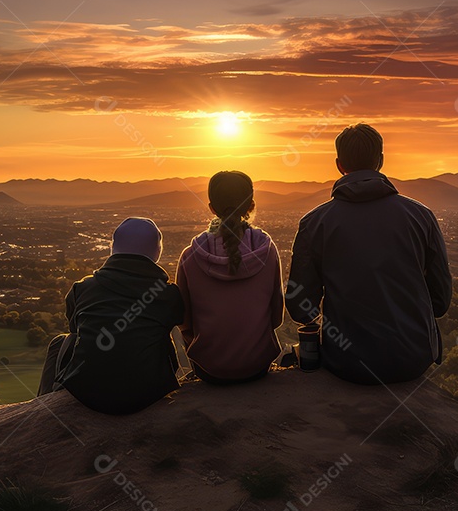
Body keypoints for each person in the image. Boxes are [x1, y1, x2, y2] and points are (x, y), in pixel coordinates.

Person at [286, 123, 451, 385]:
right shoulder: (421, 217)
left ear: (339, 165)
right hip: (412, 361)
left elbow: (300, 309)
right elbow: (440, 302)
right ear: (381, 161)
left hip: (346, 363)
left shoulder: (315, 223)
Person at [37, 217, 184, 415]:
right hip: (149, 394)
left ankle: (43, 406)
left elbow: (75, 332)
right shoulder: (169, 295)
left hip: (87, 393)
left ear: (112, 248)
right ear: (157, 252)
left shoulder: (82, 289)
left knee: (61, 340)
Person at [176, 171, 284, 384]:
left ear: (212, 208)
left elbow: (183, 321)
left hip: (209, 369)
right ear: (251, 205)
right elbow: (276, 317)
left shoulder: (190, 256)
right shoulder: (267, 251)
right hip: (257, 366)